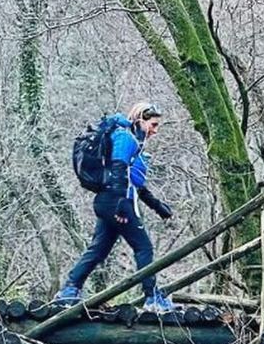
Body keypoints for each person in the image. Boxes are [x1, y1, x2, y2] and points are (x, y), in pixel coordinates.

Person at [56, 100, 176, 312]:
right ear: (141, 120)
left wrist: (158, 207)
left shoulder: (134, 142)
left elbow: (136, 184)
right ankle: (152, 299)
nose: (155, 131)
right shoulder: (125, 137)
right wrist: (121, 204)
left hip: (109, 201)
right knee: (144, 247)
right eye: (154, 125)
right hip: (116, 202)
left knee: (98, 250)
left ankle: (69, 290)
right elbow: (119, 168)